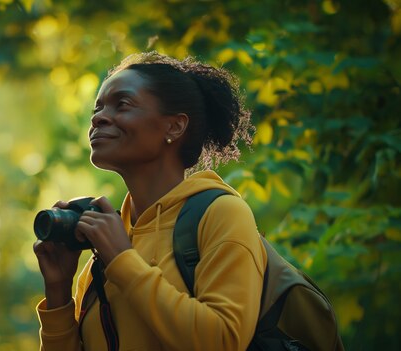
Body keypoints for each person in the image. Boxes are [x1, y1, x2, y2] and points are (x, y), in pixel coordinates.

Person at [33, 51, 267, 351]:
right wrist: (58, 294)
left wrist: (122, 261)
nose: (98, 117)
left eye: (123, 104)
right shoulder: (100, 254)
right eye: (98, 107)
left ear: (174, 126)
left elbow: (223, 340)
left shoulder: (221, 213)